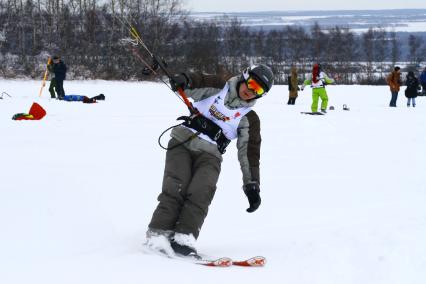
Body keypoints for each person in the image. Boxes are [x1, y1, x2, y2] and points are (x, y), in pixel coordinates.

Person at [145, 64, 274, 257]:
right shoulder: (218, 87)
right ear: (245, 76)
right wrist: (184, 79)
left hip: (210, 156)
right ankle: (158, 235)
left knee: (201, 193)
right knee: (176, 188)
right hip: (182, 142)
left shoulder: (250, 119)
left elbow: (250, 153)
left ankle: (184, 239)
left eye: (258, 90)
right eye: (252, 84)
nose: (251, 91)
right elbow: (196, 81)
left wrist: (252, 184)